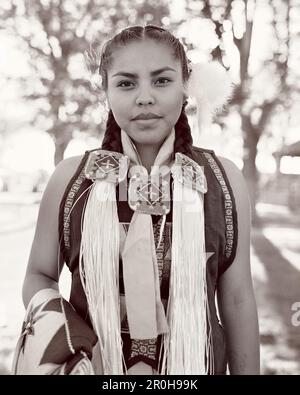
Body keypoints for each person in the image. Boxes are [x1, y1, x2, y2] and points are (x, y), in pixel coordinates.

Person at [21, 24, 260, 375]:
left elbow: (237, 298)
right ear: (106, 90)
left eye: (162, 80)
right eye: (126, 83)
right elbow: (39, 277)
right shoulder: (71, 180)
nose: (144, 97)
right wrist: (72, 342)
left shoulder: (222, 180)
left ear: (185, 86)